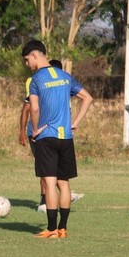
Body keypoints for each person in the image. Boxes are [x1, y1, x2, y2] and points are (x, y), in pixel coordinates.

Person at [23, 39, 93, 239]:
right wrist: (76, 122)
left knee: (50, 181)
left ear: (35, 55)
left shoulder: (36, 79)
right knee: (64, 182)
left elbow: (34, 108)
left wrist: (35, 130)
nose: (28, 64)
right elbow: (87, 98)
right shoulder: (65, 76)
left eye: (28, 60)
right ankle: (62, 228)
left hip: (46, 137)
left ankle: (51, 229)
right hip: (66, 137)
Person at [19, 58, 83, 212]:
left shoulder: (53, 82)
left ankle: (53, 221)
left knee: (52, 177)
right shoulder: (49, 81)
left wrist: (72, 123)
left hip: (52, 134)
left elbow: (34, 109)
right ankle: (48, 206)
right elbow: (28, 108)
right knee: (54, 177)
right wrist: (24, 131)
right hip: (52, 134)